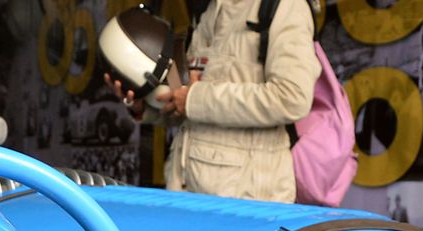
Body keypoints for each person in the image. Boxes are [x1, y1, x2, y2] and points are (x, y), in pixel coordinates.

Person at [108, 0, 319, 202]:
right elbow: (190, 108)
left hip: (246, 202)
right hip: (187, 193)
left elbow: (292, 97)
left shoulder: (286, 6)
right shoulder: (208, 10)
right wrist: (145, 107)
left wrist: (193, 99)